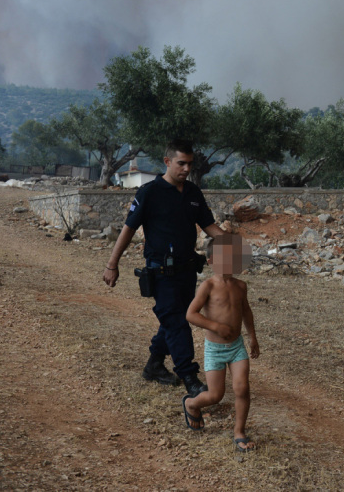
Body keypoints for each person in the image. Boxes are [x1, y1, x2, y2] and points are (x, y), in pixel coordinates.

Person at [103, 139, 224, 398]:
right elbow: (129, 229)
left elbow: (209, 225)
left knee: (174, 319)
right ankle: (189, 377)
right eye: (181, 163)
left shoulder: (193, 193)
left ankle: (154, 364)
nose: (186, 169)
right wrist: (112, 264)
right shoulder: (149, 192)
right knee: (177, 321)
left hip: (187, 271)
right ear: (167, 162)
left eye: (190, 164)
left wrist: (233, 243)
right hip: (161, 272)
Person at [183, 234, 259, 452]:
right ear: (211, 261)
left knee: (242, 388)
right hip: (215, 349)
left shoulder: (241, 286)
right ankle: (191, 404)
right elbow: (191, 314)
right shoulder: (207, 286)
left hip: (236, 347)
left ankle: (239, 432)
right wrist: (215, 326)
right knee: (215, 396)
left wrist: (252, 337)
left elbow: (246, 312)